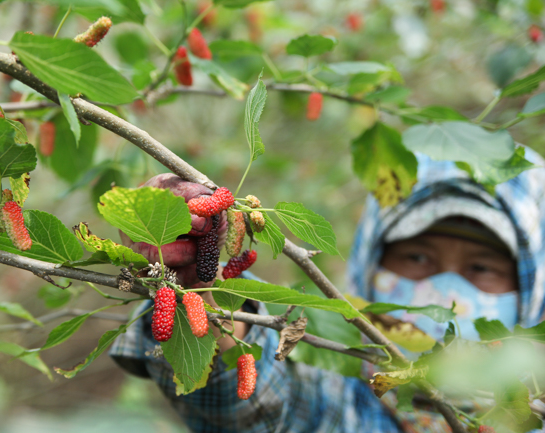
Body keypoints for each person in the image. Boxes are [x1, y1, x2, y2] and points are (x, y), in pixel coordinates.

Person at [109, 150, 545, 432]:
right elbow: (253, 409)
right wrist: (201, 288)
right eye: (416, 258)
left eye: (482, 267)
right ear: (371, 262)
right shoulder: (342, 402)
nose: (446, 290)